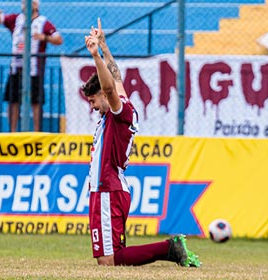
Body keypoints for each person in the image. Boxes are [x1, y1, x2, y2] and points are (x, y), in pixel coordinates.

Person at [82, 18, 200, 267]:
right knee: (114, 255)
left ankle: (168, 248)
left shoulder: (117, 110)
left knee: (108, 259)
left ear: (103, 95)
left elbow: (110, 87)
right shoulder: (123, 107)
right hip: (111, 188)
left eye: (93, 101)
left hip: (107, 188)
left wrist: (96, 56)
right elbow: (116, 79)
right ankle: (169, 248)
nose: (92, 107)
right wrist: (104, 46)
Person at [0, 0, 63, 132]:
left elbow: (58, 39)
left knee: (36, 101)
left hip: (34, 68)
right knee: (13, 100)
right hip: (16, 66)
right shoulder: (16, 19)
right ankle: (12, 132)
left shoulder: (43, 22)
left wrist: (44, 38)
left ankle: (36, 131)